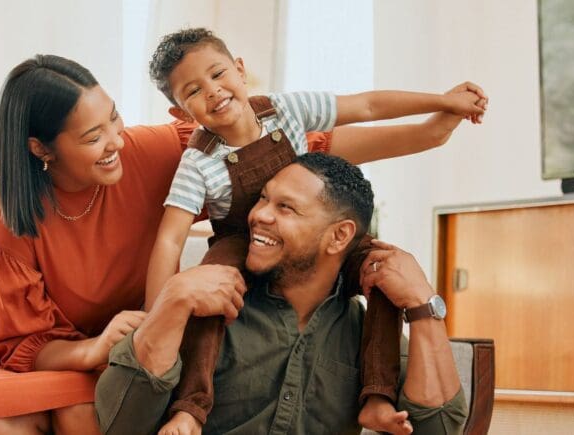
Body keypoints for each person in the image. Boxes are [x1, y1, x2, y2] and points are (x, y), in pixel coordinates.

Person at [0, 54, 473, 435]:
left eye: (114, 118)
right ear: (41, 149)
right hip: (88, 354)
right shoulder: (11, 214)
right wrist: (98, 345)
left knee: (84, 413)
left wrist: (430, 132)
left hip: (150, 349)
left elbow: (293, 157)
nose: (115, 142)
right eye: (92, 138)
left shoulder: (153, 152)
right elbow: (18, 343)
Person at [141, 28, 486, 435]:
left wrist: (444, 101)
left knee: (385, 269)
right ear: (181, 114)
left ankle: (377, 397)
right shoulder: (198, 162)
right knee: (207, 300)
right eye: (194, 91)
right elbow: (169, 239)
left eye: (217, 74)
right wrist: (156, 315)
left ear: (239, 68)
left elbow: (369, 105)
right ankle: (190, 407)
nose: (213, 91)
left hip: (311, 226)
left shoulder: (287, 110)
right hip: (240, 241)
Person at [97, 152, 468, 435]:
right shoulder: (207, 309)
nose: (260, 215)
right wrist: (174, 298)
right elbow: (121, 424)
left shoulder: (367, 335)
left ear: (339, 236)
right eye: (262, 198)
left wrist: (423, 305)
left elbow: (439, 428)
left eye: (285, 208)